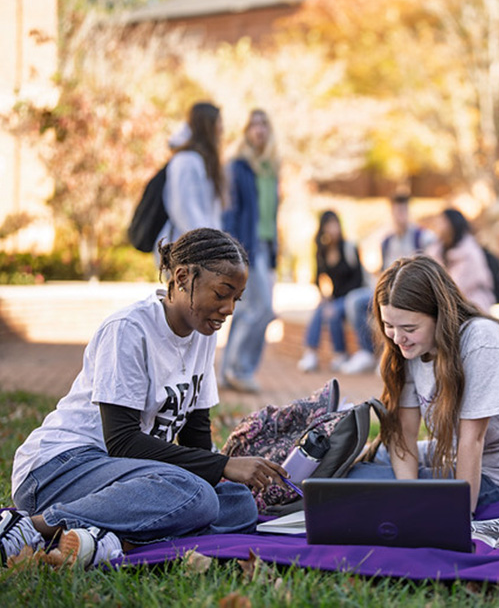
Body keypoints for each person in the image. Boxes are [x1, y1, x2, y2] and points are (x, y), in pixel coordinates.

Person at [1, 229, 289, 570]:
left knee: (238, 503)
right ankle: (28, 527)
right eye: (222, 294)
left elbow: (196, 437)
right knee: (194, 495)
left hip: (131, 478)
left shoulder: (202, 335)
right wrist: (222, 465)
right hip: (58, 469)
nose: (227, 310)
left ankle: (105, 540)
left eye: (236, 300)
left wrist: (224, 472)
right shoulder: (129, 329)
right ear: (183, 277)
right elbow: (122, 441)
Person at [346, 255, 499, 513]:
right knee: (355, 463)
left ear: (440, 316)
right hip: (449, 454)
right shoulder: (411, 347)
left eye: (409, 327)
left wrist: (460, 515)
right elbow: (404, 436)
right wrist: (408, 494)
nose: (398, 338)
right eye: (389, 325)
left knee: (356, 483)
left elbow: (472, 440)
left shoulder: (481, 341)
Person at [220, 109, 282, 393]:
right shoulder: (238, 167)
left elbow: (272, 214)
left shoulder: (271, 168)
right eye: (253, 125)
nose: (258, 130)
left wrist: (275, 250)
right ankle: (240, 369)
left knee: (247, 311)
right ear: (246, 131)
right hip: (247, 246)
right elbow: (232, 211)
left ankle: (227, 371)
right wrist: (231, 250)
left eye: (263, 125)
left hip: (266, 247)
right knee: (263, 309)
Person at [341, 193, 436, 375]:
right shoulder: (387, 241)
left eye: (403, 211)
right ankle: (367, 352)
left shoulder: (423, 237)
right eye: (396, 211)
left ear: (409, 212)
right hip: (389, 288)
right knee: (354, 300)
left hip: (413, 292)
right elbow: (383, 270)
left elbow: (434, 265)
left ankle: (392, 358)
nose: (400, 215)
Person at [297, 210, 365, 373]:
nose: (333, 228)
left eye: (335, 224)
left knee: (333, 311)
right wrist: (324, 297)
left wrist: (335, 301)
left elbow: (359, 279)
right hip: (335, 298)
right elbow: (317, 278)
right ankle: (311, 353)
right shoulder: (322, 251)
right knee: (320, 310)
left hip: (353, 296)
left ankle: (341, 354)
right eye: (329, 225)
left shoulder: (349, 247)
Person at [157, 102, 227, 247]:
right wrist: (207, 245)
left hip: (201, 250)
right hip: (187, 251)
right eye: (219, 122)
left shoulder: (204, 160)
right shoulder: (186, 161)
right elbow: (184, 209)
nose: (222, 128)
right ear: (207, 126)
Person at [426, 208, 494, 311]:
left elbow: (459, 287)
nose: (438, 226)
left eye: (442, 222)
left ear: (452, 225)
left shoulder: (470, 252)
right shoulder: (435, 250)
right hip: (445, 305)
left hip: (472, 305)